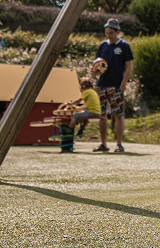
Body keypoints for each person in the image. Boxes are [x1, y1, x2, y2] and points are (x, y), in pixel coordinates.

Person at [94, 19, 133, 153]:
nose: (108, 35)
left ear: (117, 32)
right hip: (101, 85)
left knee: (118, 115)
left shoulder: (124, 46)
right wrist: (94, 71)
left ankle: (119, 144)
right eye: (106, 32)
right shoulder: (102, 46)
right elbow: (97, 64)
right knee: (102, 115)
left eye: (110, 32)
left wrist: (123, 84)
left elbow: (129, 66)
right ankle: (103, 144)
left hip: (116, 86)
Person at [56, 74, 104, 153]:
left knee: (75, 116)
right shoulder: (93, 92)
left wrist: (70, 104)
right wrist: (78, 108)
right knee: (83, 117)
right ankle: (81, 129)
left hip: (91, 112)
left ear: (83, 87)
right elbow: (86, 106)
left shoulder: (87, 92)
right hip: (97, 112)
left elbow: (78, 101)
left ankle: (69, 129)